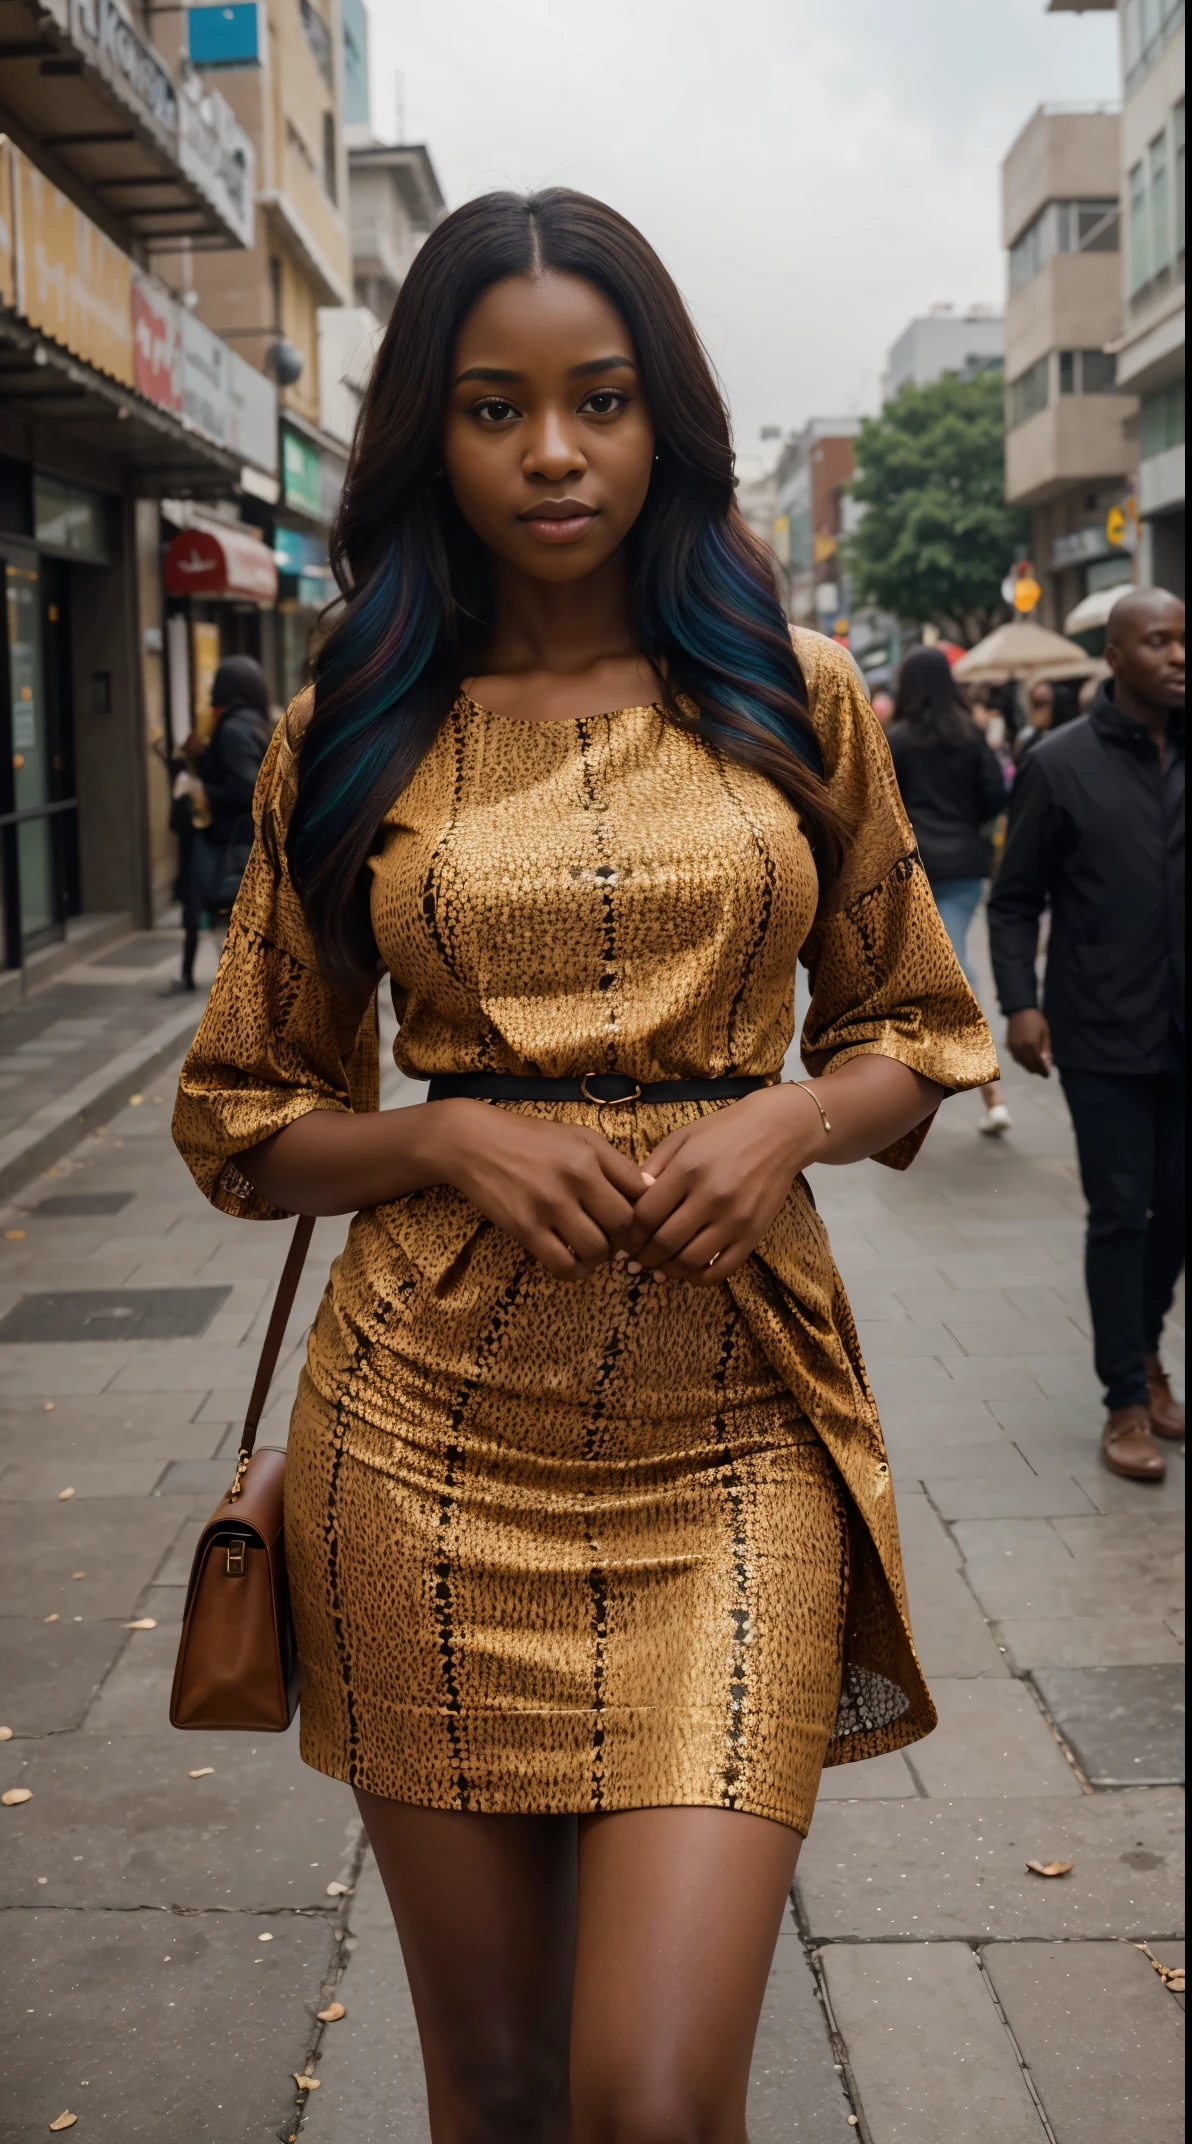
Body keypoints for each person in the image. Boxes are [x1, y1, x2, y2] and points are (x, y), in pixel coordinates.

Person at [172, 189, 996, 2137]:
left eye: (598, 398)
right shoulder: (347, 725)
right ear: (429, 438)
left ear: (663, 419)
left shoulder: (789, 695)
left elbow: (915, 1033)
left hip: (731, 1446)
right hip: (424, 1454)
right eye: (493, 405)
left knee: (649, 2080)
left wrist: (789, 1111)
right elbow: (242, 1117)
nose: (551, 450)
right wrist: (442, 1132)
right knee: (508, 2082)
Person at [988, 587, 1185, 1483]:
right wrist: (1020, 1006)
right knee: (1120, 1212)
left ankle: (1146, 1353)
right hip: (1102, 1026)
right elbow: (1015, 896)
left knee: (1176, 1211)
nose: (1179, 654)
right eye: (1159, 641)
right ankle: (1124, 1404)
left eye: (1186, 640)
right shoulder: (1058, 764)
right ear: (1114, 654)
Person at [887, 647, 1011, 1135]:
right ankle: (978, 1091)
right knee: (951, 961)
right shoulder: (970, 735)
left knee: (936, 969)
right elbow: (994, 799)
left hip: (913, 867)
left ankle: (981, 1086)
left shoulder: (897, 739)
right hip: (962, 864)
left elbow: (882, 805)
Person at [164, 655, 273, 991]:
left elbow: (247, 785)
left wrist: (199, 789)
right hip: (248, 838)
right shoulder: (260, 723)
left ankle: (238, 987)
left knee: (214, 906)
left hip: (228, 840)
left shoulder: (234, 729)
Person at [1014, 676, 1055, 763]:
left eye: (1044, 704)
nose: (1042, 711)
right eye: (1038, 705)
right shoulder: (1025, 735)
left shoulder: (1058, 735)